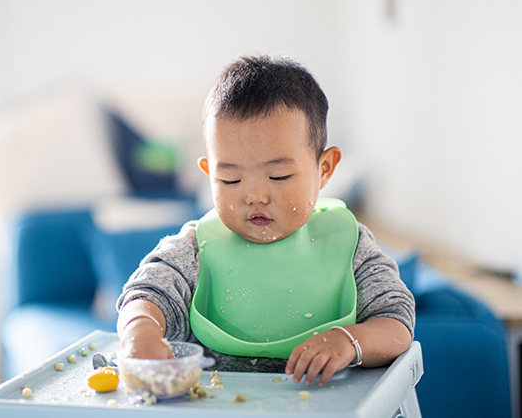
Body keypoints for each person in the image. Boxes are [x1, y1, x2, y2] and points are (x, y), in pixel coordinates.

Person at [116, 55, 415, 387]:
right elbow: (148, 292)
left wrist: (350, 341)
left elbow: (396, 322)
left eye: (279, 175)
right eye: (230, 180)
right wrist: (138, 331)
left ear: (325, 169)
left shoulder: (350, 246)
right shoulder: (195, 250)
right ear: (209, 176)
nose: (254, 196)